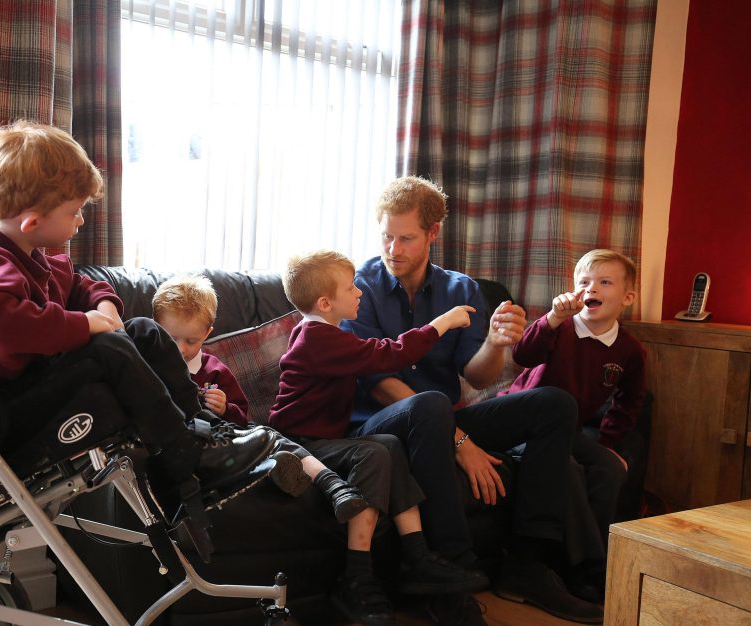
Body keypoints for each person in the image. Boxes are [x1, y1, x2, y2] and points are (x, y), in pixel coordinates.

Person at [0, 120, 273, 519]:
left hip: (37, 385)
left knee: (143, 330)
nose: (80, 221)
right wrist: (87, 324)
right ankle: (183, 454)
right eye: (74, 212)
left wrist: (106, 308)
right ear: (32, 222)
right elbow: (6, 330)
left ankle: (201, 432)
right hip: (6, 406)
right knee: (109, 348)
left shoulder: (35, 257)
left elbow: (82, 287)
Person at [343, 176, 603, 624]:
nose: (394, 249)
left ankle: (525, 564)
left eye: (406, 238)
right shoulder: (358, 289)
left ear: (432, 234)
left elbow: (476, 375)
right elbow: (378, 381)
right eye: (386, 236)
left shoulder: (461, 289)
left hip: (440, 419)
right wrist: (460, 442)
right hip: (380, 426)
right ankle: (454, 572)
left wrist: (497, 344)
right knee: (430, 405)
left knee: (554, 403)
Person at [268, 250, 489, 626]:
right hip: (300, 442)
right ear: (325, 303)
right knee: (372, 454)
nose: (359, 293)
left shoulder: (326, 333)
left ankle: (418, 556)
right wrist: (440, 324)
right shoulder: (317, 338)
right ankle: (356, 577)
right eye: (350, 288)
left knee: (386, 444)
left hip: (327, 436)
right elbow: (388, 355)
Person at [151, 273, 369, 522]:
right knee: (258, 442)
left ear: (208, 333)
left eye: (191, 341)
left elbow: (242, 417)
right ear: (156, 328)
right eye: (171, 338)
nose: (180, 348)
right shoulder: (150, 370)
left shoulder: (214, 370)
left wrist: (225, 409)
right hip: (193, 447)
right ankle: (270, 468)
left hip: (228, 438)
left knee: (267, 435)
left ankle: (332, 485)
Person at [502, 248, 646, 599]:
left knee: (610, 468)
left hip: (567, 433)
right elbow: (523, 355)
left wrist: (608, 445)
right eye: (584, 281)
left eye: (604, 282)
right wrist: (550, 318)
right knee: (562, 467)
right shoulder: (560, 327)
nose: (591, 288)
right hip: (521, 426)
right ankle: (587, 568)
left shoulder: (630, 350)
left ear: (627, 297)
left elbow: (629, 402)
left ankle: (580, 562)